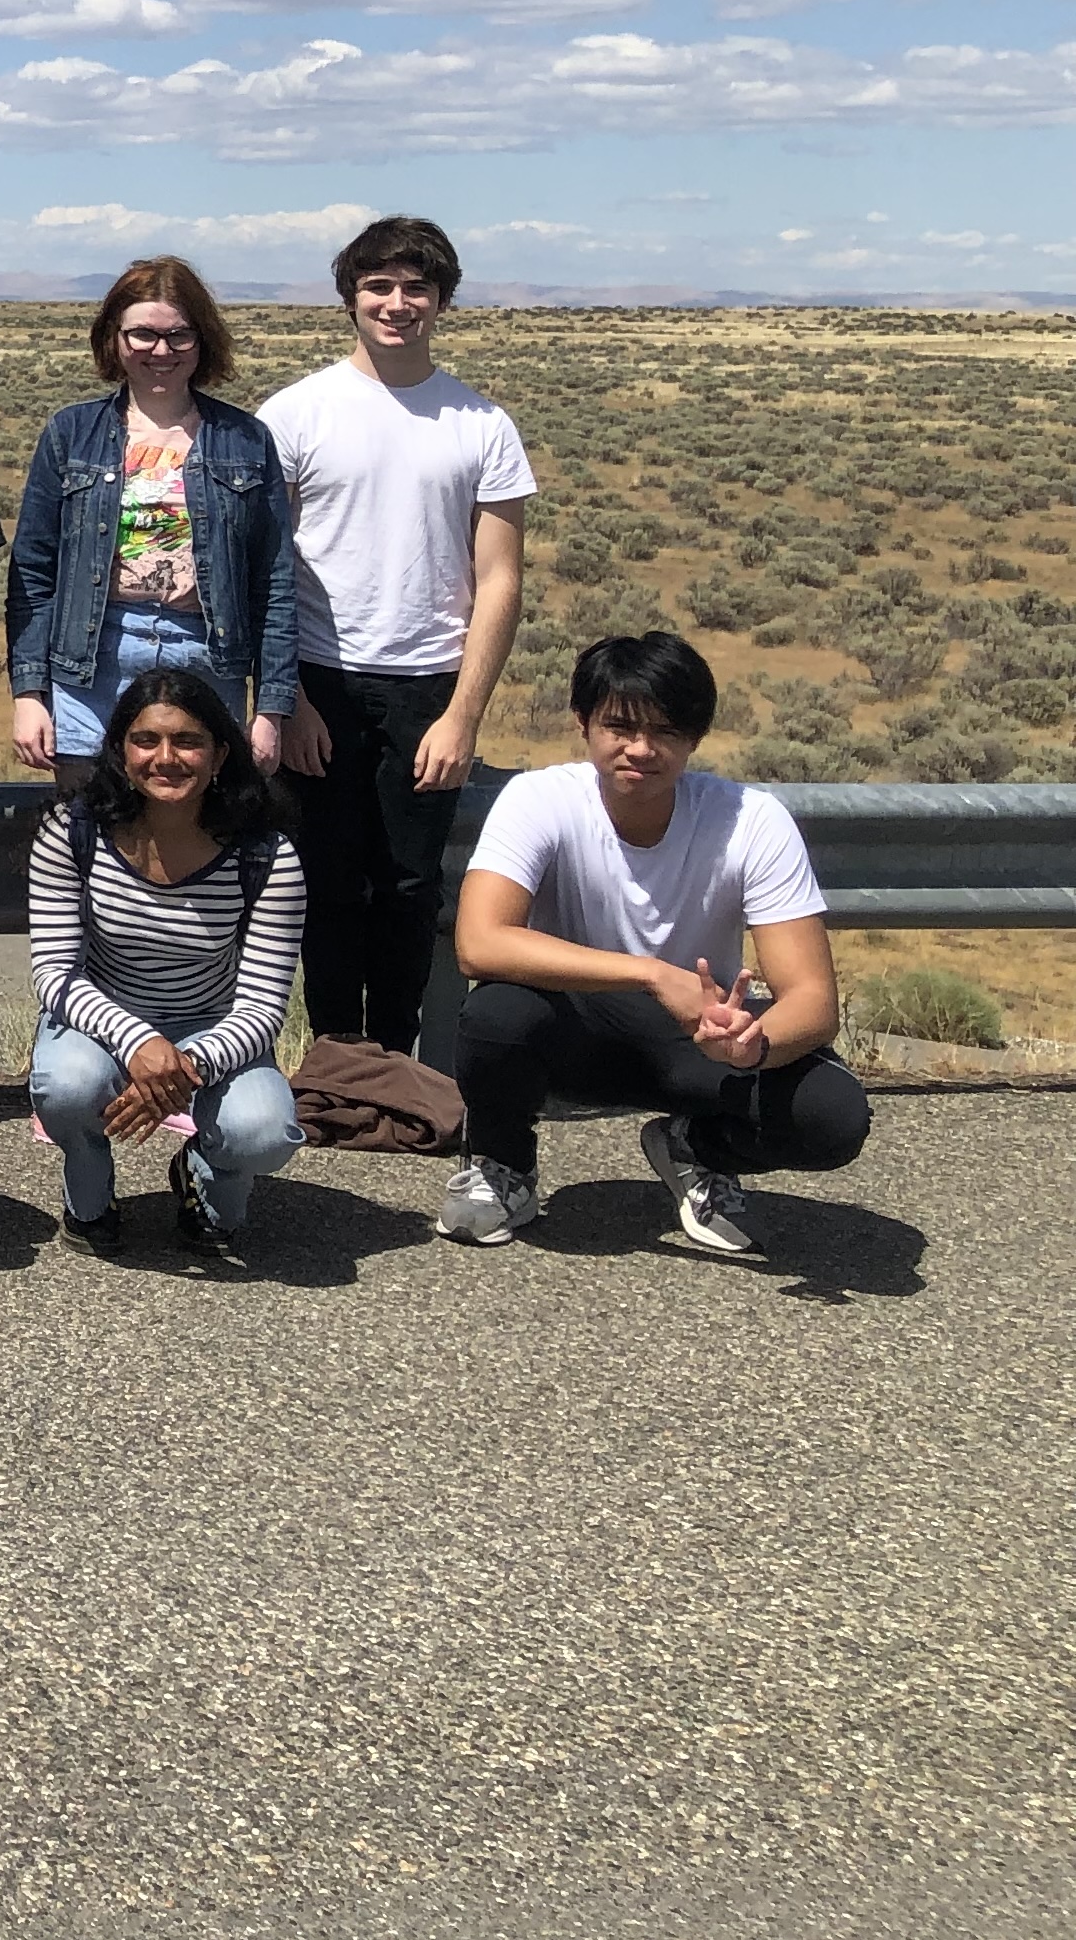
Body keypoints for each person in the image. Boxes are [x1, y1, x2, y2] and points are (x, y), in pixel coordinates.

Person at [440, 633, 867, 1256]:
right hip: (574, 1027)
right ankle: (503, 1169)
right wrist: (649, 973)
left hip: (703, 1039)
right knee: (496, 1011)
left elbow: (812, 1000)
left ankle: (698, 1147)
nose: (640, 749)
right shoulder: (540, 800)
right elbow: (479, 944)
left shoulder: (752, 820)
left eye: (665, 732)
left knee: (835, 1117)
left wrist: (755, 1046)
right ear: (582, 724)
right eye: (618, 726)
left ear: (695, 739)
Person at [263, 216, 535, 1058]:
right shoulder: (295, 414)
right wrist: (289, 698)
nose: (397, 303)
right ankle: (339, 1060)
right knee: (328, 883)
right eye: (379, 286)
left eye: (416, 287)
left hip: (428, 685)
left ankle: (398, 1057)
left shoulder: (480, 423)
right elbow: (263, 571)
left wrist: (463, 716)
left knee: (411, 886)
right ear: (351, 297)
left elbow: (500, 579)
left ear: (442, 301)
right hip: (322, 681)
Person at [25, 667, 308, 1257]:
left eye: (188, 741)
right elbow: (54, 971)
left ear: (221, 754)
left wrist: (183, 1066)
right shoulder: (72, 831)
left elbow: (262, 1005)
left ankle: (206, 1172)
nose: (166, 758)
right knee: (67, 1086)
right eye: (146, 740)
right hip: (98, 1019)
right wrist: (137, 1045)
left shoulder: (265, 855)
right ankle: (90, 1198)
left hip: (214, 1025)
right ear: (120, 751)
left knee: (265, 1132)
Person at [5, 256, 298, 784]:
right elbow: (32, 572)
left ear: (202, 341)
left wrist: (272, 709)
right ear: (115, 339)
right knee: (89, 826)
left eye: (179, 336)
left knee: (199, 833)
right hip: (90, 658)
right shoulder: (71, 434)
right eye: (143, 334)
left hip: (208, 657)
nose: (161, 351)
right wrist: (29, 694)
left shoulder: (245, 440)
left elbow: (274, 581)